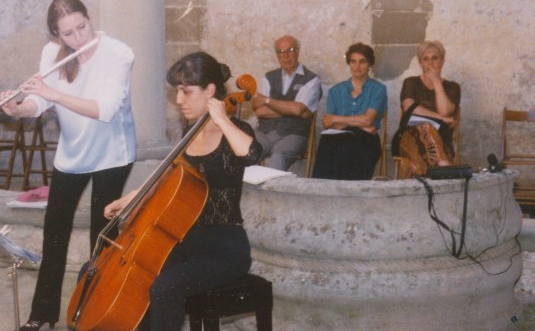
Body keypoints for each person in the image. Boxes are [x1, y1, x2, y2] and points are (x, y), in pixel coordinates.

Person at [0, 0, 137, 331]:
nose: (79, 39)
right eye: (69, 34)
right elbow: (38, 102)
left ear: (90, 19)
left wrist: (52, 94)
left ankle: (93, 313)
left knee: (100, 235)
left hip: (112, 153)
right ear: (56, 36)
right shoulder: (52, 53)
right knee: (54, 231)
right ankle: (42, 314)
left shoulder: (118, 53)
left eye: (82, 27)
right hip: (72, 151)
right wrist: (19, 108)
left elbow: (104, 110)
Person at [103, 52, 263, 330]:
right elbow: (167, 176)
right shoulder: (189, 133)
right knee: (139, 279)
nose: (179, 100)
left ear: (210, 91)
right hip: (185, 241)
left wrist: (222, 120)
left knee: (166, 287)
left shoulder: (235, 128)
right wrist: (128, 199)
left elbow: (251, 154)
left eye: (186, 92)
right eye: (177, 91)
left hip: (225, 248)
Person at [311, 43, 388, 180]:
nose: (357, 67)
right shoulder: (335, 91)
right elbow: (329, 123)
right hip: (339, 138)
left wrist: (337, 119)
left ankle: (349, 195)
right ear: (349, 63)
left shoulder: (378, 89)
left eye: (362, 62)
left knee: (349, 148)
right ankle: (322, 193)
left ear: (369, 63)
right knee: (326, 143)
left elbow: (368, 120)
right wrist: (361, 123)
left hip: (366, 139)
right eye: (353, 61)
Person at [252, 35, 322, 170]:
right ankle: (247, 190)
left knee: (279, 154)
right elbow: (259, 111)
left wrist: (267, 101)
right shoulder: (268, 77)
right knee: (246, 149)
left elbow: (297, 109)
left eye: (290, 50)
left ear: (298, 51)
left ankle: (269, 191)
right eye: (281, 52)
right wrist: (291, 108)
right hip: (264, 132)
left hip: (294, 135)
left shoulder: (311, 79)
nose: (286, 56)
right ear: (277, 55)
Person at [397, 40, 461, 178]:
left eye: (435, 58)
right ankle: (443, 166)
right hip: (410, 139)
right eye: (425, 59)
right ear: (420, 63)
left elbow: (445, 110)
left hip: (442, 142)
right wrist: (441, 118)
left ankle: (417, 194)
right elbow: (409, 107)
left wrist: (436, 81)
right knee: (425, 125)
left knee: (416, 163)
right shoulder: (411, 82)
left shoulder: (453, 87)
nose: (430, 63)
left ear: (442, 61)